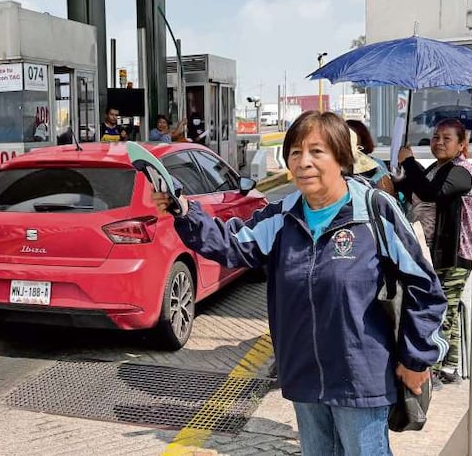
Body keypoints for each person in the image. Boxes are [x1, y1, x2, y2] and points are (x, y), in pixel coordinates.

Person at [153, 111, 446, 455]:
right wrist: (186, 211)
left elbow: (424, 288)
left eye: (316, 152)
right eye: (295, 152)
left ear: (341, 158)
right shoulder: (281, 215)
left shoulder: (373, 210)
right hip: (304, 374)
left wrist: (415, 360)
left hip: (360, 376)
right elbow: (233, 244)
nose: (303, 162)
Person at [396, 119, 472, 387]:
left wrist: (409, 163)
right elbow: (415, 190)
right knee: (443, 309)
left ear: (462, 145)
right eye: (435, 137)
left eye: (447, 138)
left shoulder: (462, 171)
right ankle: (449, 367)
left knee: (444, 311)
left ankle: (438, 368)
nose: (439, 142)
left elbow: (432, 193)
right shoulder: (436, 168)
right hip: (431, 252)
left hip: (453, 255)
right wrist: (402, 175)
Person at [347, 119, 396, 197]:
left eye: (351, 136)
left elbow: (388, 196)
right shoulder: (337, 164)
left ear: (361, 139)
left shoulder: (375, 164)